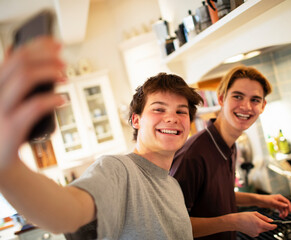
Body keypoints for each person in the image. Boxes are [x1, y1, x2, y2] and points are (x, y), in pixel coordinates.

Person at [0, 36, 204, 239]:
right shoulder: (118, 169)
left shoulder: (173, 186)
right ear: (136, 120)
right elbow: (67, 212)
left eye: (181, 111)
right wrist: (7, 164)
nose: (171, 118)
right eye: (159, 109)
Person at [170, 65, 291, 239]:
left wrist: (261, 200)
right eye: (237, 96)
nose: (246, 106)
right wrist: (234, 222)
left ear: (263, 106)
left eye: (255, 100)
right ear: (221, 99)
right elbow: (171, 226)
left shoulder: (229, 145)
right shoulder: (192, 156)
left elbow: (215, 198)